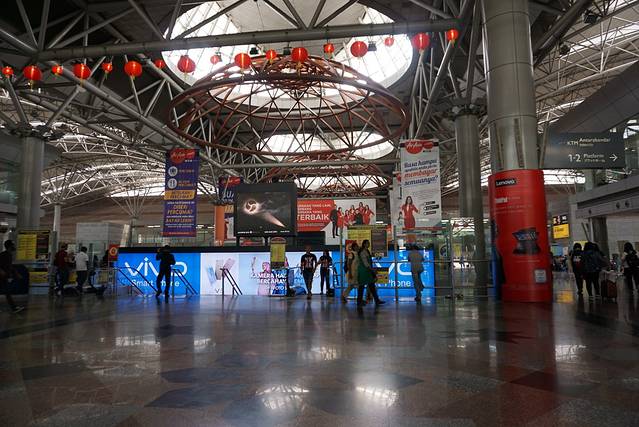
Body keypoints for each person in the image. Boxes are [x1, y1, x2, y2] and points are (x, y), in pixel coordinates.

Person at [357, 240, 385, 307]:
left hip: (367, 271)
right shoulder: (363, 252)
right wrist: (372, 269)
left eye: (369, 243)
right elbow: (366, 263)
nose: (369, 244)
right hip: (364, 271)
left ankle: (376, 300)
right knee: (362, 286)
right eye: (367, 243)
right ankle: (359, 301)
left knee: (371, 286)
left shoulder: (366, 251)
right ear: (364, 244)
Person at [0, 241, 24, 313]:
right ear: (10, 246)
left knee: (7, 292)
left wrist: (16, 274)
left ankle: (14, 308)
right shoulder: (3, 255)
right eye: (13, 245)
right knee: (7, 292)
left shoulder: (9, 255)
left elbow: (10, 267)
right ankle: (14, 308)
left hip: (3, 277)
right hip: (1, 277)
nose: (14, 246)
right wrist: (1, 271)